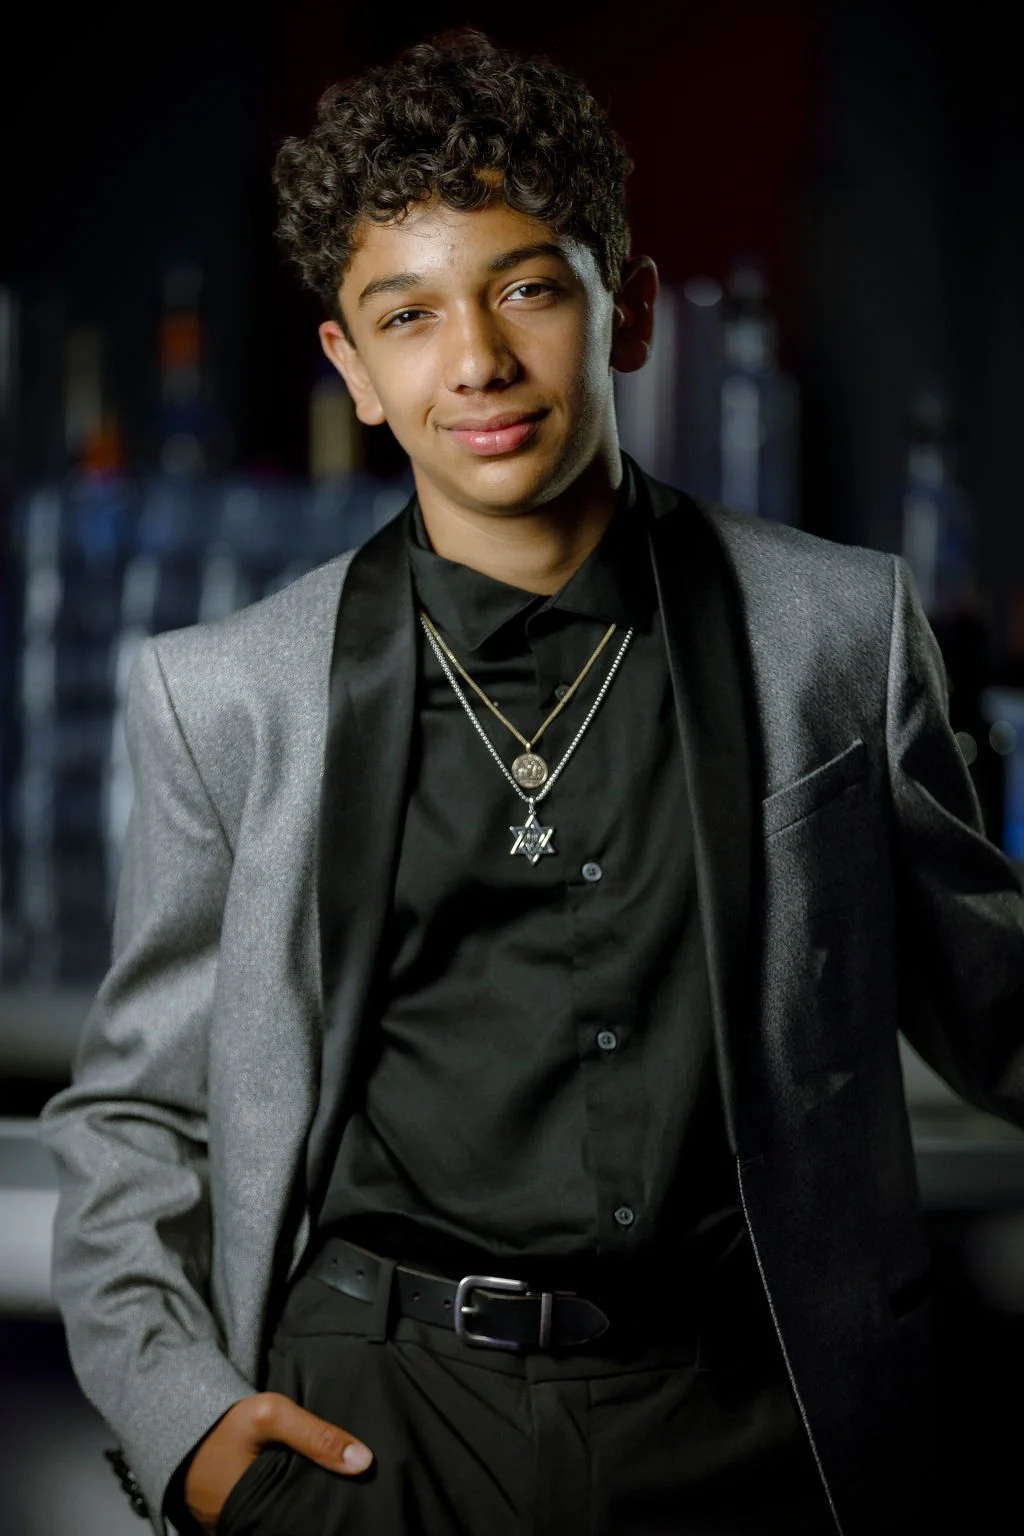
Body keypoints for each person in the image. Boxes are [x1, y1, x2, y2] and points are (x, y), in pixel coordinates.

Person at [39, 28, 1024, 1536]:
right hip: (379, 1434)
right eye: (408, 316)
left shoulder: (840, 632)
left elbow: (997, 1008)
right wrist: (193, 1435)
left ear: (620, 306)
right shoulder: (224, 694)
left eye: (526, 288)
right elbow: (132, 1124)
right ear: (353, 370)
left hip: (761, 1421)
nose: (479, 363)